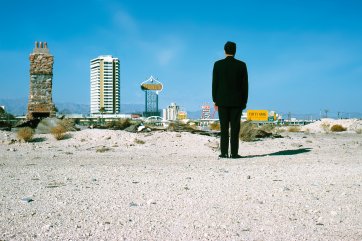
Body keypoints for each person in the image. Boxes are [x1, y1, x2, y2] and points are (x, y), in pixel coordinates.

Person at [212, 41, 248, 158]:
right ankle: (234, 153)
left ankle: (223, 153)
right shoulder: (242, 65)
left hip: (222, 101)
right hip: (237, 102)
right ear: (235, 51)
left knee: (224, 128)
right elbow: (245, 86)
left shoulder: (217, 64)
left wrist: (215, 100)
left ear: (224, 51)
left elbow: (214, 84)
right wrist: (244, 102)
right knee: (235, 129)